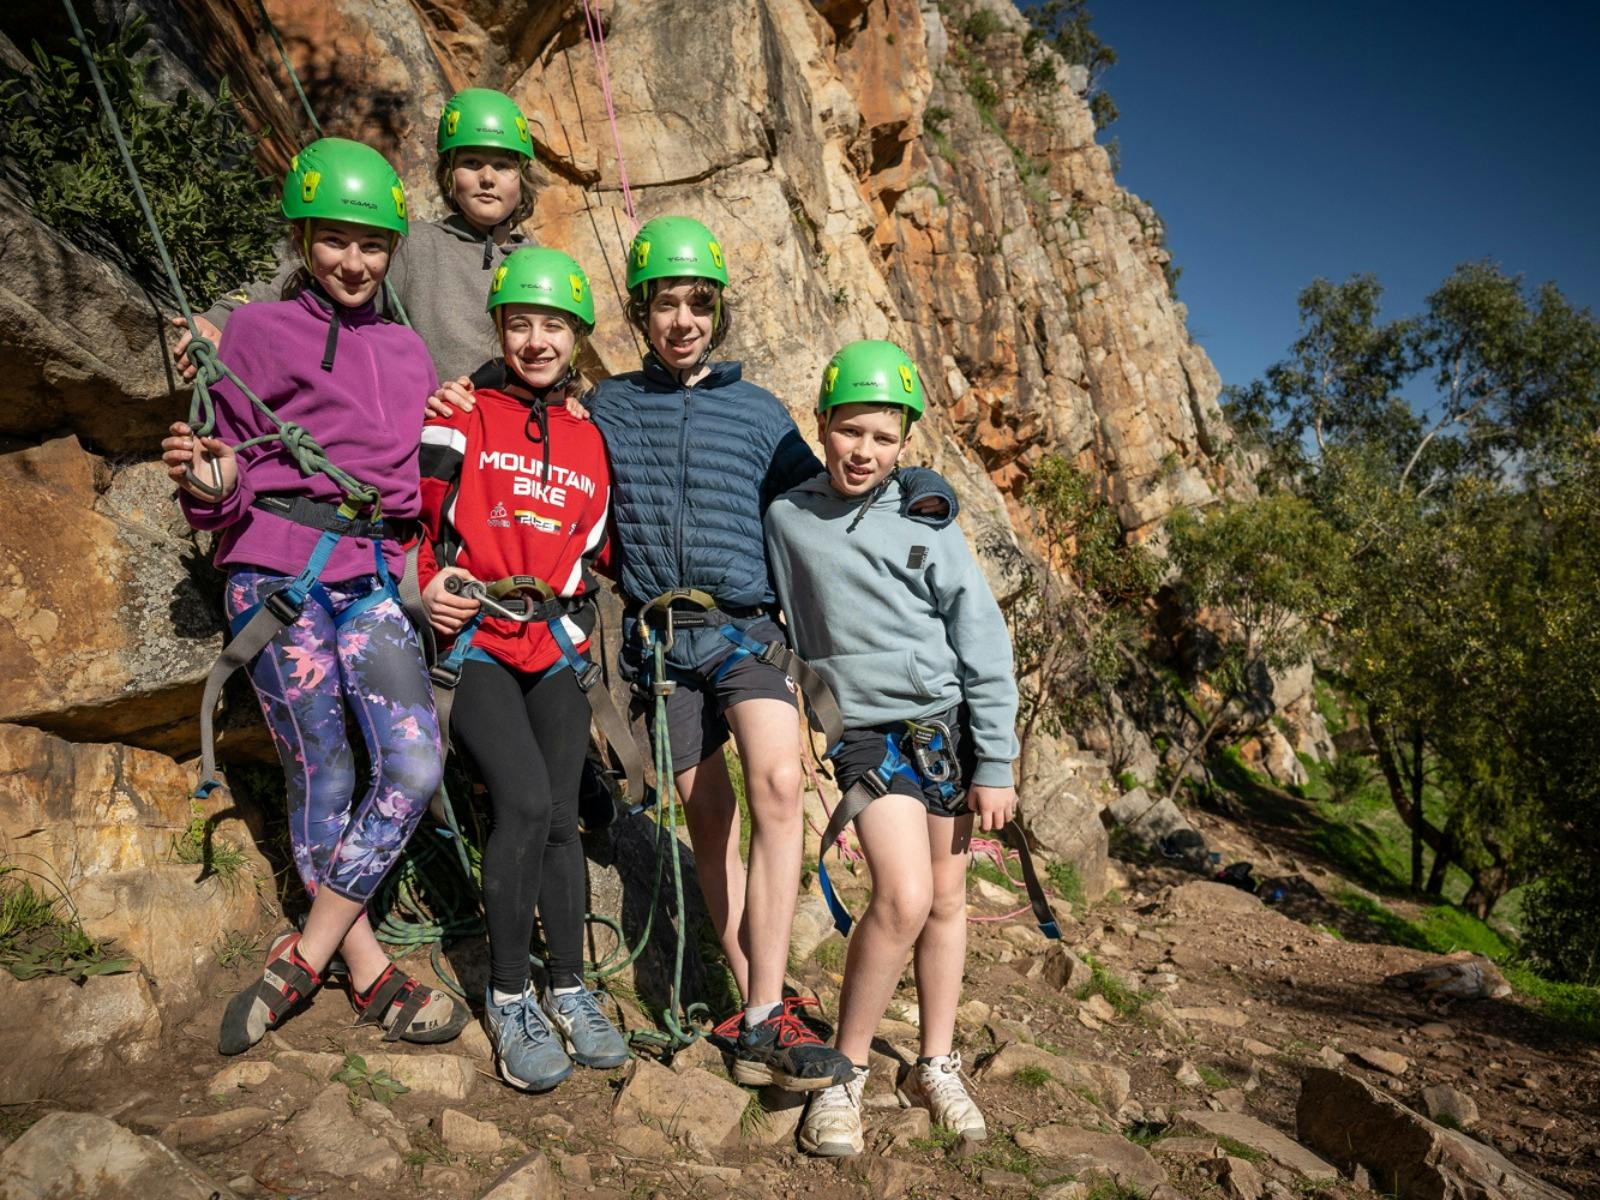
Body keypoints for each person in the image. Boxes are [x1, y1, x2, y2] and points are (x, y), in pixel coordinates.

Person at [428, 217, 959, 1093]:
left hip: (749, 632)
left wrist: (922, 485)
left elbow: (840, 479)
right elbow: (534, 406)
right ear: (640, 313)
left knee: (778, 782)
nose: (681, 319)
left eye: (697, 303)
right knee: (706, 817)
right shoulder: (611, 407)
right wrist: (466, 391)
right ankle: (760, 994)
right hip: (661, 641)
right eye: (665, 302)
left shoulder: (758, 414)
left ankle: (760, 1015)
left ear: (718, 310)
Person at [160, 137, 465, 1055]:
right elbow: (231, 477)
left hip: (371, 573)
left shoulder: (409, 352)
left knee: (413, 763)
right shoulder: (253, 331)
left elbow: (413, 488)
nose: (355, 261)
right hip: (278, 573)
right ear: (301, 236)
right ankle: (370, 971)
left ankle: (307, 951)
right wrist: (208, 482)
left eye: (373, 245)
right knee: (324, 772)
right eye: (334, 239)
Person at [764, 339, 1019, 1155]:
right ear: (822, 425)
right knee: (904, 896)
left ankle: (934, 1063)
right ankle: (846, 1071)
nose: (864, 451)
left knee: (946, 902)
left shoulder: (925, 516)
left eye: (883, 437)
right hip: (866, 732)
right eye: (850, 431)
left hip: (948, 726)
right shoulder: (788, 517)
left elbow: (980, 639)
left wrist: (998, 763)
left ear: (905, 443)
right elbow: (788, 620)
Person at [416, 247, 628, 1091]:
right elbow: (417, 520)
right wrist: (426, 584)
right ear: (499, 327)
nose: (537, 340)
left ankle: (569, 988)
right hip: (478, 641)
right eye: (521, 323)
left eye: (554, 326)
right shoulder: (459, 413)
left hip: (556, 644)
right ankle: (510, 996)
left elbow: (600, 543)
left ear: (578, 337)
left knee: (559, 822)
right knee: (527, 799)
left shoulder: (589, 437)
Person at [173, 88, 538, 384]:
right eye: (471, 163)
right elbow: (310, 271)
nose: (487, 178)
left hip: (508, 444)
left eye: (504, 165)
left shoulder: (538, 264)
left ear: (522, 178)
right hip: (432, 432)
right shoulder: (417, 246)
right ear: (448, 173)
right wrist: (224, 315)